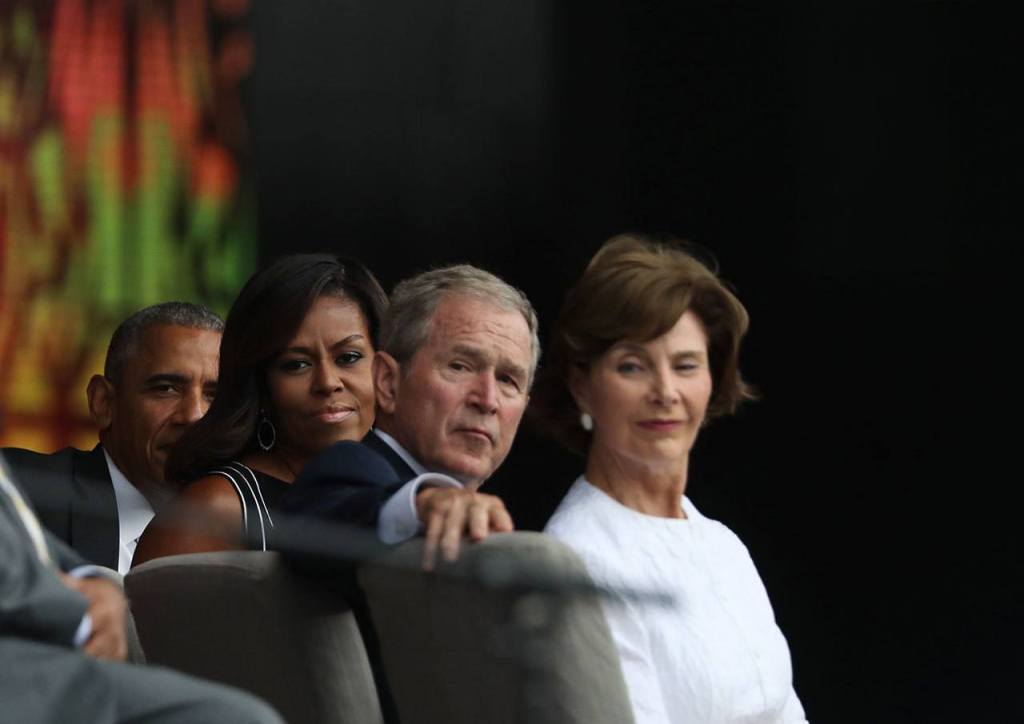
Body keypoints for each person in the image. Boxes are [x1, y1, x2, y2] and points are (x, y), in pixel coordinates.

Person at [533, 234, 807, 723]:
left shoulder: (723, 546)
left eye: (686, 366)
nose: (665, 391)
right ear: (582, 385)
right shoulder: (578, 560)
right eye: (633, 366)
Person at [278, 263, 539, 569]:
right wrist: (420, 503)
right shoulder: (352, 468)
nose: (488, 400)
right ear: (388, 382)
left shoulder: (491, 520)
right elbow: (311, 524)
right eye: (460, 366)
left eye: (508, 380)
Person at [133, 254, 388, 562]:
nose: (327, 382)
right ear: (261, 385)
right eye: (296, 364)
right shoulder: (216, 510)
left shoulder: (414, 491)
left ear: (384, 369)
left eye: (348, 357)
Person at [0, 455, 282, 723]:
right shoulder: (45, 478)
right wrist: (70, 609)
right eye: (163, 398)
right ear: (103, 404)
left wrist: (99, 585)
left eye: (211, 400)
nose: (194, 415)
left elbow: (34, 543)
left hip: (63, 667)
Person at [2, 302, 222, 574]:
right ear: (103, 402)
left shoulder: (256, 527)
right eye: (166, 389)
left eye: (215, 395)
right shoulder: (23, 492)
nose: (194, 415)